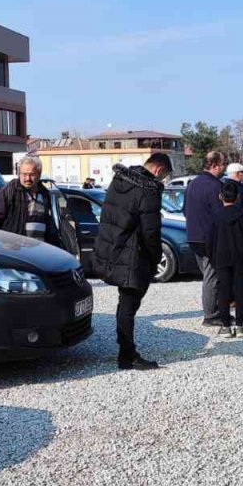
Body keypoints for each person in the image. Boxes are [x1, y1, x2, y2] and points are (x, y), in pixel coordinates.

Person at [93, 154, 170, 370]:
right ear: (159, 170)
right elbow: (151, 232)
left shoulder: (119, 182)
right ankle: (127, 355)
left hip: (114, 250)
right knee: (129, 305)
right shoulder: (148, 190)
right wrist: (155, 258)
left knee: (124, 304)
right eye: (164, 176)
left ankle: (125, 350)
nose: (162, 181)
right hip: (134, 256)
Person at [183, 151, 228, 326]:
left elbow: (185, 210)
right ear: (215, 165)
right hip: (210, 237)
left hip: (193, 236)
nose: (224, 168)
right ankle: (211, 315)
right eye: (223, 164)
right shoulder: (215, 186)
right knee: (212, 276)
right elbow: (221, 214)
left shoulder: (192, 184)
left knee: (208, 274)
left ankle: (215, 309)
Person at [208, 180, 243, 338]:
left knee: (223, 290)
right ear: (237, 198)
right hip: (240, 256)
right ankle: (240, 325)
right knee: (240, 289)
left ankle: (226, 325)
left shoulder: (215, 215)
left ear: (221, 196)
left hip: (221, 256)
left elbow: (209, 239)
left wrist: (212, 256)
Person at [0, 157, 63, 247]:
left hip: (40, 249)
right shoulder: (10, 190)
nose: (27, 178)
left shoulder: (45, 194)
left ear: (39, 175)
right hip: (16, 249)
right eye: (24, 174)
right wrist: (9, 239)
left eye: (32, 174)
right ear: (19, 174)